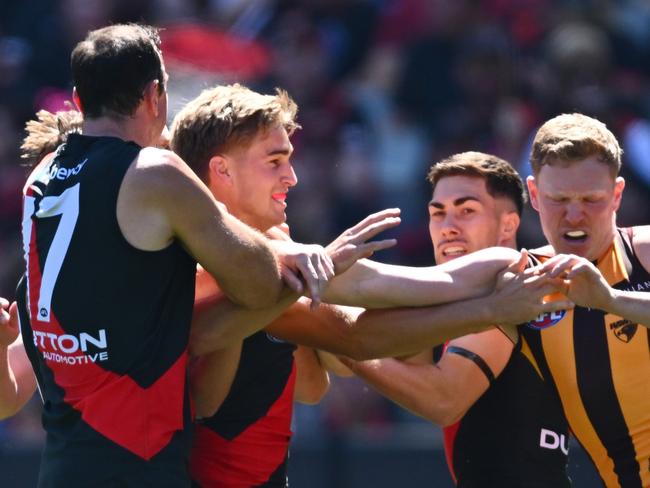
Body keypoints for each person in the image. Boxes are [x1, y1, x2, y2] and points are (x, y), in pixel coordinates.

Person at [168, 86, 573, 487]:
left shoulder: (275, 242)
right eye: (275, 161)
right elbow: (358, 336)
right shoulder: (207, 255)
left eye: (467, 211)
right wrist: (490, 301)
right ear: (221, 170)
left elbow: (314, 380)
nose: (292, 177)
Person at [15, 23, 335, 488]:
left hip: (61, 466)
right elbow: (256, 285)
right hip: (140, 466)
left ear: (80, 103)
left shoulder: (40, 178)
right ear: (155, 95)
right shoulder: (155, 173)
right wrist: (303, 257)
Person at [343, 152, 571, 487]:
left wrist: (337, 339)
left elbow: (443, 399)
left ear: (509, 224)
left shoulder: (508, 281)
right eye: (438, 214)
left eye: (466, 211)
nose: (448, 228)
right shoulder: (482, 296)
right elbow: (412, 363)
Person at [521, 113, 650, 488]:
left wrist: (610, 299)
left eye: (591, 199)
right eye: (558, 199)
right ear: (533, 194)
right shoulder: (521, 279)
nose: (574, 214)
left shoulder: (642, 252)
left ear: (617, 195)